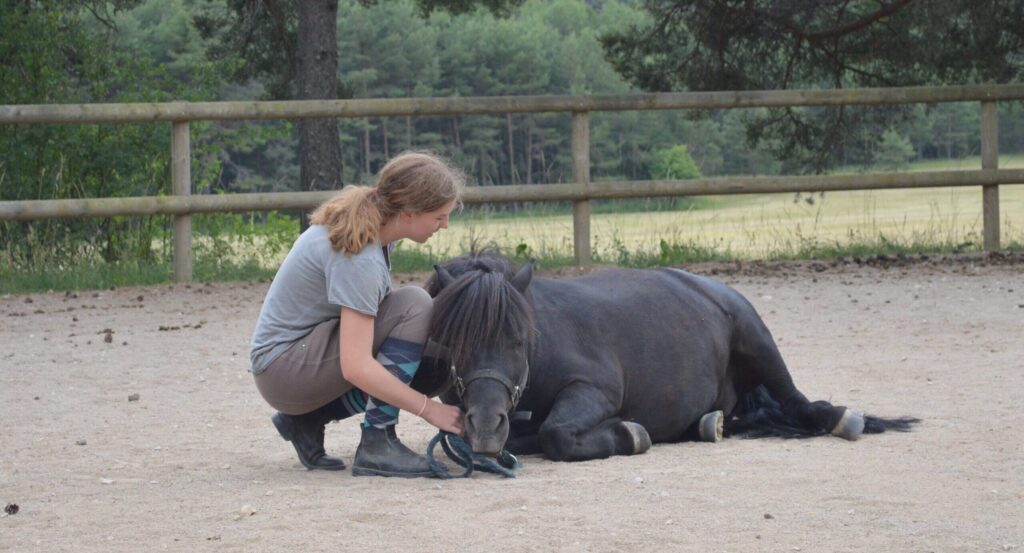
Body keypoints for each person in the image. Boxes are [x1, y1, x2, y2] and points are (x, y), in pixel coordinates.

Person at [249, 151, 465, 478]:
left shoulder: (374, 231)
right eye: (439, 216)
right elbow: (356, 365)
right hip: (282, 371)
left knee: (431, 365)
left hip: (293, 362)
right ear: (408, 212)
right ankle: (378, 443)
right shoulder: (360, 256)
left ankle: (305, 421)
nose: (445, 225)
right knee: (415, 305)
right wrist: (429, 409)